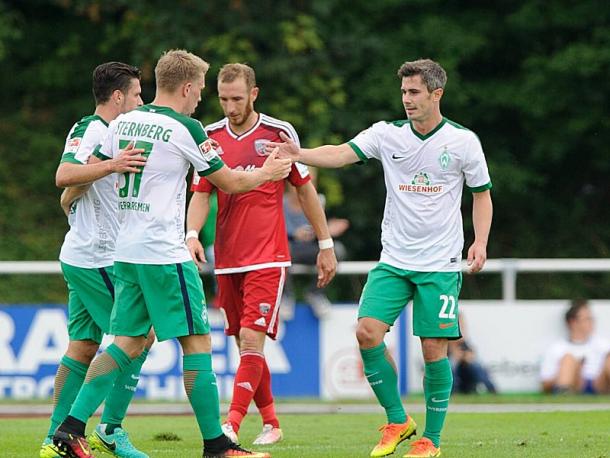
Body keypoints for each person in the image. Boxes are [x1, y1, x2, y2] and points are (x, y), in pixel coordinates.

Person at [52, 50, 292, 458]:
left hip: (126, 252)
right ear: (186, 87)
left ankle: (70, 429)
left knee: (125, 342)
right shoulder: (187, 127)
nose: (201, 97)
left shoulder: (122, 122)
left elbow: (83, 172)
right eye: (199, 88)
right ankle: (217, 446)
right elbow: (230, 182)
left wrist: (70, 205)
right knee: (197, 343)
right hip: (164, 254)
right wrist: (267, 174)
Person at [268, 59, 493, 458]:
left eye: (414, 92)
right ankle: (398, 420)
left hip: (440, 265)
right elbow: (340, 153)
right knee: (366, 332)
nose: (406, 99)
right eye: (404, 92)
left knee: (432, 351)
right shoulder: (387, 135)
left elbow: (481, 195)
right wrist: (297, 152)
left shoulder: (462, 142)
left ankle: (432, 440)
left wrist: (479, 242)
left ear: (436, 94)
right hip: (394, 260)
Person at [186, 63, 337, 446]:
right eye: (223, 99)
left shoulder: (278, 133)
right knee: (243, 346)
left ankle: (230, 425)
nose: (230, 106)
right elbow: (201, 193)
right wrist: (190, 233)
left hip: (268, 257)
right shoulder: (209, 136)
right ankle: (272, 422)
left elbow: (304, 190)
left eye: (237, 98)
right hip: (228, 258)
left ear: (254, 94)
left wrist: (324, 244)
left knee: (252, 343)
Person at [42, 61, 153, 458]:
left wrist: (80, 188)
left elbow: (71, 188)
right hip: (98, 257)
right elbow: (63, 175)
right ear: (119, 96)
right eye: (138, 94)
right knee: (139, 337)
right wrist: (113, 165)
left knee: (83, 347)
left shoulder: (100, 130)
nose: (142, 101)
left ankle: (53, 439)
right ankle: (109, 430)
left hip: (82, 253)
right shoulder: (96, 129)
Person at [282, 182, 349, 318]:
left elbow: (325, 227)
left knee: (337, 250)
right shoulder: (280, 202)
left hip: (314, 246)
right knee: (279, 252)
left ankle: (316, 293)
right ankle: (285, 296)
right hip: (288, 247)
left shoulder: (319, 201)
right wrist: (293, 233)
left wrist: (327, 230)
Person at [540, 299, 610, 394]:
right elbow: (545, 383)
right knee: (568, 359)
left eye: (591, 318)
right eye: (587, 319)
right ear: (573, 322)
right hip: (574, 385)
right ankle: (564, 392)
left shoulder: (603, 344)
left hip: (600, 384)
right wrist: (568, 371)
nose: (592, 322)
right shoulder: (557, 348)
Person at [448, 314, 496, 394]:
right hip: (454, 376)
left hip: (465, 377)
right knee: (450, 364)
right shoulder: (444, 344)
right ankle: (451, 393)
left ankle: (492, 390)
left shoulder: (464, 344)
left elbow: (472, 354)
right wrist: (455, 356)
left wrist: (466, 357)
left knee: (476, 364)